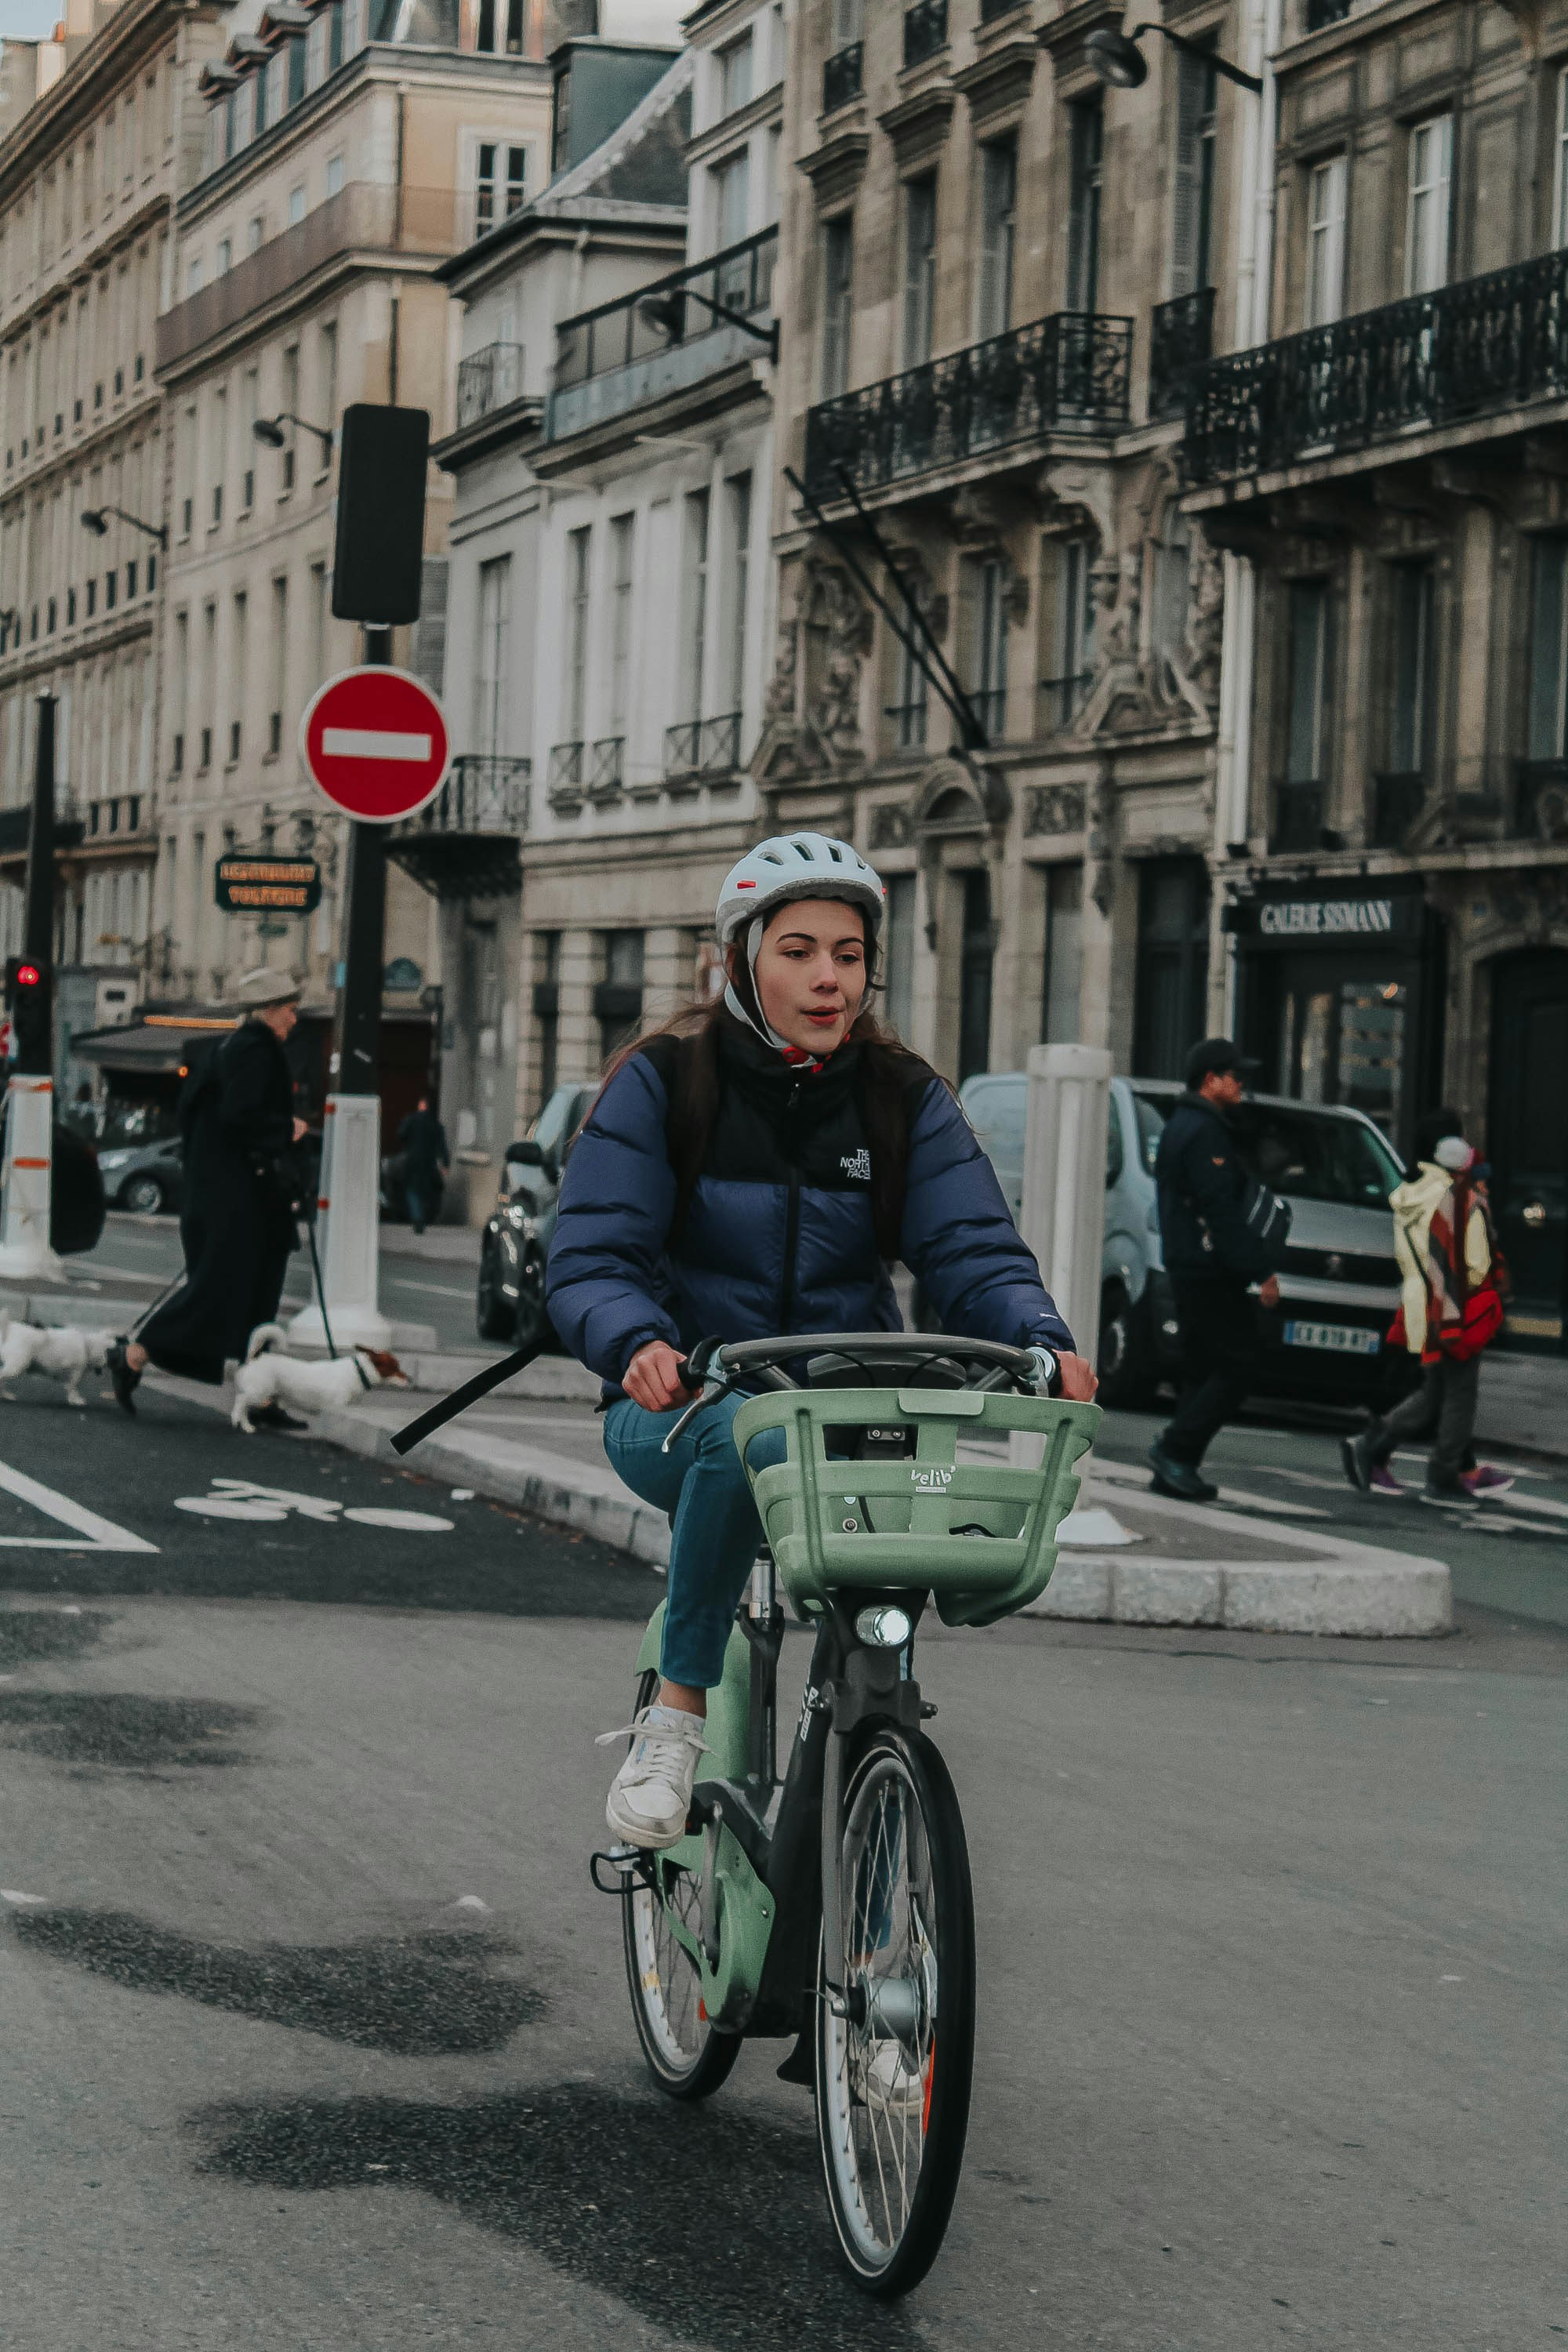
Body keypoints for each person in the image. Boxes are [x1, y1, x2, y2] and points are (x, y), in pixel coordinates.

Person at [545, 831, 1098, 1851]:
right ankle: (675, 1713)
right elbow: (590, 1256)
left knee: (897, 1555)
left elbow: (973, 1246)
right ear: (742, 956)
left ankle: (875, 1764)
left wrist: (1040, 1338)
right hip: (680, 1408)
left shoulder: (901, 1097)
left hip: (848, 1411)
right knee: (736, 1435)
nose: (828, 977)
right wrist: (637, 1341)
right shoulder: (667, 1082)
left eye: (848, 954)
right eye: (798, 950)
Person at [107, 968, 310, 1428]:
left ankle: (260, 1399)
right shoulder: (254, 1051)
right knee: (220, 1290)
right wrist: (287, 1130)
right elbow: (243, 1117)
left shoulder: (230, 1050)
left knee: (255, 1294)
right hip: (239, 1198)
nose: (295, 1021)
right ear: (271, 1011)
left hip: (235, 1195)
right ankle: (135, 1355)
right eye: (291, 1011)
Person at [1340, 1109, 1510, 1509]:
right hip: (1452, 1306)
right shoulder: (1449, 1199)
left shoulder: (1413, 1191)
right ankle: (1445, 1470)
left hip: (1424, 1303)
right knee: (1456, 1391)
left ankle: (1376, 1446)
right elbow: (1455, 1262)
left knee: (1437, 1392)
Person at [1147, 1037, 1284, 1502]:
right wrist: (1260, 1270)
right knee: (1238, 1363)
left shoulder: (1185, 1124)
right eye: (1235, 1076)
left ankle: (1176, 1466)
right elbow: (1220, 1208)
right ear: (1211, 1080)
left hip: (1187, 1262)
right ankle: (1175, 1449)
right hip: (1207, 1268)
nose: (1242, 1084)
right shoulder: (1204, 1132)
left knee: (1202, 1366)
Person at [397, 1094, 449, 1235]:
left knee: (412, 1191)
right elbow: (442, 1146)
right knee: (425, 1191)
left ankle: (418, 1218)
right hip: (428, 1162)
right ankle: (423, 1215)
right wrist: (445, 1164)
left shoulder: (412, 1120)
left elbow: (401, 1134)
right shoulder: (435, 1124)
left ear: (421, 1106)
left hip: (413, 1161)